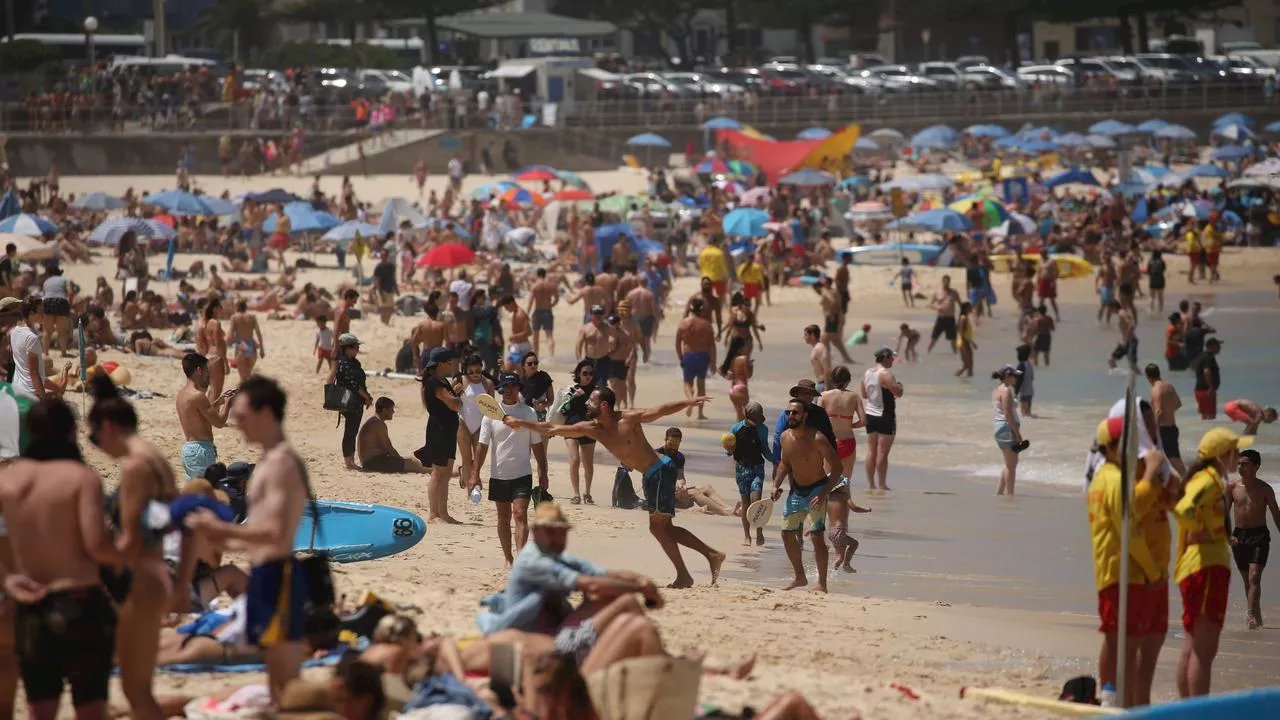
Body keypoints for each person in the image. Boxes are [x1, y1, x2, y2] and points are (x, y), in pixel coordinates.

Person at [508, 389, 724, 589]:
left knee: (660, 527)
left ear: (603, 405)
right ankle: (698, 565)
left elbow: (659, 410)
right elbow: (552, 428)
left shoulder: (627, 419)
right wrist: (521, 423)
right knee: (661, 528)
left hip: (661, 469)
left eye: (590, 400)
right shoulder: (592, 428)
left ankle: (700, 564)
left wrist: (688, 401)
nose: (586, 403)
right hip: (650, 476)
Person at [184, 376, 316, 703]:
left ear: (266, 413)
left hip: (278, 576)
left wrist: (220, 530)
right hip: (265, 574)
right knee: (276, 681)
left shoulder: (282, 464)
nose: (237, 425)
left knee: (285, 682)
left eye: (242, 417)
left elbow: (274, 533)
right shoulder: (270, 462)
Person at [0, 398, 123, 720]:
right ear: (71, 431)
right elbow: (96, 545)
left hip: (30, 605)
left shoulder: (8, 480)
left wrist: (6, 577)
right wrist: (124, 556)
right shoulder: (80, 478)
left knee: (40, 707)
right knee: (90, 708)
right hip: (79, 600)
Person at [88, 374, 178, 720]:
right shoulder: (155, 458)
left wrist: (89, 553)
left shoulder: (134, 466)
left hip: (140, 579)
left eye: (95, 437)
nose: (98, 446)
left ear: (108, 425)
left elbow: (129, 540)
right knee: (140, 688)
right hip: (156, 574)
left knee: (136, 690)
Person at [1089, 416, 1168, 708]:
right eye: (1128, 443)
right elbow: (1130, 530)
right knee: (1124, 644)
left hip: (1113, 570)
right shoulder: (1114, 480)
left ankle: (1113, 698)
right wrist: (1151, 570)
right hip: (1126, 571)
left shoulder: (1103, 477)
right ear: (1111, 447)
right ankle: (1116, 704)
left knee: (1118, 641)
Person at [1172, 428, 1248, 698]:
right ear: (1222, 455)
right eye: (1235, 452)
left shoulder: (1211, 480)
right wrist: (1198, 531)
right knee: (1204, 652)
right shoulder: (1207, 481)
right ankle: (1198, 712)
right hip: (1205, 567)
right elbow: (1182, 509)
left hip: (1198, 568)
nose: (1238, 457)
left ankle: (1187, 710)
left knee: (1193, 647)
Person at [473, 373, 549, 567]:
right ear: (500, 389)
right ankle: (508, 558)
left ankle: (521, 559)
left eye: (513, 386)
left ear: (518, 389)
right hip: (499, 474)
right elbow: (482, 446)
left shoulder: (528, 412)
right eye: (506, 386)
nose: (509, 390)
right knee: (504, 517)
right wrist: (475, 474)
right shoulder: (490, 414)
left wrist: (543, 472)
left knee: (520, 514)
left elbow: (537, 445)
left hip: (523, 473)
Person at [771, 398, 843, 592]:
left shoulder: (817, 438)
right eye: (788, 412)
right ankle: (800, 577)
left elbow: (837, 468)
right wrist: (776, 484)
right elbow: (785, 463)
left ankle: (822, 583)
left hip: (816, 490)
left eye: (795, 412)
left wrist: (824, 492)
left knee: (817, 536)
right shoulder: (785, 437)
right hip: (796, 491)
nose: (790, 416)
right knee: (787, 534)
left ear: (805, 416)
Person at [1227, 450, 1277, 631]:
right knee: (1248, 582)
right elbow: (1224, 514)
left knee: (1254, 577)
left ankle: (1250, 618)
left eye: (1245, 464)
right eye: (1239, 463)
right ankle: (1257, 615)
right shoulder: (1232, 488)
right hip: (1239, 536)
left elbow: (1276, 515)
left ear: (1256, 466)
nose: (1241, 467)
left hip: (1259, 536)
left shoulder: (1265, 489)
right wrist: (1227, 535)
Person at [415, 347, 462, 524]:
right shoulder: (434, 382)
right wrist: (456, 398)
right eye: (449, 362)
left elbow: (450, 401)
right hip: (439, 430)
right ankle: (433, 514)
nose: (451, 364)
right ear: (440, 363)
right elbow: (453, 404)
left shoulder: (442, 380)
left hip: (448, 429)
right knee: (438, 472)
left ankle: (443, 512)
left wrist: (455, 395)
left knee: (447, 472)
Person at [177, 353, 236, 480]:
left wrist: (218, 402)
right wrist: (228, 404)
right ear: (199, 370)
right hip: (201, 450)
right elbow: (219, 422)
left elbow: (199, 414)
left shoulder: (181, 394)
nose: (208, 376)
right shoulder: (198, 395)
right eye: (207, 371)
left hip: (188, 449)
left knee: (193, 491)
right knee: (206, 491)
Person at [727, 402, 770, 546]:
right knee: (745, 503)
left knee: (756, 501)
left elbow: (765, 449)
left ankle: (758, 530)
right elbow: (729, 451)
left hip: (757, 467)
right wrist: (729, 449)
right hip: (741, 469)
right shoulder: (736, 428)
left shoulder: (762, 429)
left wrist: (777, 461)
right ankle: (747, 536)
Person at [329, 333, 373, 471]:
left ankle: (351, 461)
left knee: (353, 430)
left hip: (357, 401)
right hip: (349, 401)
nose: (357, 349)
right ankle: (348, 462)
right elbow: (353, 384)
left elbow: (360, 382)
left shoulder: (354, 362)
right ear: (348, 348)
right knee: (350, 431)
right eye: (356, 347)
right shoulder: (343, 363)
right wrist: (365, 396)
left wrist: (367, 396)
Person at [862, 347, 903, 491]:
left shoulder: (867, 373)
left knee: (871, 450)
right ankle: (881, 484)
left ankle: (870, 484)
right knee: (882, 452)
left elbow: (864, 394)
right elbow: (897, 392)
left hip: (870, 414)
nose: (893, 360)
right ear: (885, 358)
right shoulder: (886, 374)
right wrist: (900, 386)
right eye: (891, 358)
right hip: (885, 415)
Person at [558, 360, 598, 505]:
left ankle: (587, 492)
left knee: (588, 463)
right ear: (578, 375)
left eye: (590, 373)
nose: (588, 376)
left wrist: (586, 399)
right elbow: (562, 409)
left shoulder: (597, 392)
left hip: (589, 428)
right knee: (574, 460)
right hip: (571, 427)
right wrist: (575, 397)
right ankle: (576, 494)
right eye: (585, 373)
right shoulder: (571, 389)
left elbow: (598, 411)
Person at [357, 397, 428, 474]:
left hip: (369, 462)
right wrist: (400, 460)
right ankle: (431, 471)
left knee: (411, 460)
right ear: (384, 410)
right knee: (413, 463)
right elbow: (388, 447)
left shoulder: (373, 420)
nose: (393, 412)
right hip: (374, 463)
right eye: (391, 409)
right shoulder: (379, 424)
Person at [674, 298, 715, 420]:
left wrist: (681, 357)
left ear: (691, 309)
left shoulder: (683, 324)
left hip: (688, 356)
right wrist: (713, 361)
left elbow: (677, 344)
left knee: (687, 383)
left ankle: (690, 399)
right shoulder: (706, 324)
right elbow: (711, 344)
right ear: (701, 310)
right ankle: (700, 414)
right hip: (703, 356)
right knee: (701, 385)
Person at [992, 365, 1027, 496]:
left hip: (1001, 428)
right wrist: (1017, 434)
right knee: (1011, 466)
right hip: (1006, 428)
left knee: (1008, 463)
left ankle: (999, 493)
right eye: (1014, 375)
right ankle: (1010, 495)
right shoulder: (1006, 391)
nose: (1016, 378)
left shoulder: (998, 389)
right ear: (1007, 376)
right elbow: (1008, 414)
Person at [1146, 363, 1186, 478]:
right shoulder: (1169, 386)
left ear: (1148, 377)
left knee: (1175, 462)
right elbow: (1178, 404)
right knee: (1160, 459)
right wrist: (1169, 412)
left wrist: (1153, 430)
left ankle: (1189, 483)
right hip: (1172, 427)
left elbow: (1158, 411)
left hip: (1163, 430)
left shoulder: (1155, 389)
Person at [7, 297, 44, 400]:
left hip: (17, 387)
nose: (43, 315)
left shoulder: (13, 332)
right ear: (31, 314)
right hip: (31, 392)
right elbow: (33, 372)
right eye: (41, 311)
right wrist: (43, 398)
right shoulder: (32, 338)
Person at [197, 297, 229, 403]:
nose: (222, 309)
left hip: (209, 356)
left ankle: (210, 414)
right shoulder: (215, 323)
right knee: (216, 390)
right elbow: (218, 344)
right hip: (216, 356)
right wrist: (225, 362)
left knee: (213, 389)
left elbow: (205, 343)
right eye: (220, 307)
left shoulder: (207, 322)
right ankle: (211, 415)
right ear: (215, 308)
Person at [39, 266, 74, 357]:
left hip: (48, 301)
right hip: (61, 301)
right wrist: (70, 305)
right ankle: (63, 352)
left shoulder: (46, 281)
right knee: (62, 331)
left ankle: (45, 353)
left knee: (47, 330)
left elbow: (45, 294)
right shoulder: (66, 279)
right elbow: (70, 292)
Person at [229, 300, 265, 383]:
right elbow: (258, 334)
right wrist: (262, 349)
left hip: (241, 347)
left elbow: (230, 335)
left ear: (237, 307)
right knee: (248, 375)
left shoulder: (234, 317)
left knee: (243, 378)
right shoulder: (252, 317)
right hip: (251, 346)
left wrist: (227, 343)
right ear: (246, 307)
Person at [527, 268, 560, 357]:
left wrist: (527, 313)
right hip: (547, 311)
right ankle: (551, 356)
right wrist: (551, 305)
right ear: (545, 275)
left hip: (537, 312)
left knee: (535, 336)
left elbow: (530, 302)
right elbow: (557, 299)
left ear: (537, 275)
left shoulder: (534, 286)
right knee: (549, 336)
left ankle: (536, 356)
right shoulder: (551, 286)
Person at [926, 275, 959, 354]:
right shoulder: (937, 292)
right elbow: (929, 304)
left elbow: (961, 305)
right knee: (933, 338)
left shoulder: (954, 293)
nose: (946, 283)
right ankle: (927, 354)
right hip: (940, 319)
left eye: (947, 282)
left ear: (949, 282)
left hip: (951, 319)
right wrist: (937, 308)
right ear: (942, 282)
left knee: (953, 339)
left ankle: (956, 356)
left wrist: (961, 319)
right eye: (944, 282)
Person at [1192, 337, 1223, 420]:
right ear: (1212, 346)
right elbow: (1206, 371)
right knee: (1211, 416)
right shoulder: (1209, 357)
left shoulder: (1201, 356)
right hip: (1206, 391)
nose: (1220, 348)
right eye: (1218, 346)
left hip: (1200, 390)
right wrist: (1211, 387)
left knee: (1205, 417)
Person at [501, 295, 532, 372]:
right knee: (519, 375)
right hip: (518, 346)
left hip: (521, 348)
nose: (506, 309)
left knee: (508, 374)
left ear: (511, 303)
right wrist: (513, 342)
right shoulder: (516, 313)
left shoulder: (521, 314)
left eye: (506, 307)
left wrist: (514, 337)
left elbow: (529, 332)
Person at [1107, 300, 1138, 373]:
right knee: (1111, 359)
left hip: (1131, 341)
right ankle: (1117, 379)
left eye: (1109, 308)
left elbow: (1131, 325)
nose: (1109, 310)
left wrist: (1125, 340)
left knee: (1132, 366)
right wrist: (1122, 340)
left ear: (1114, 307)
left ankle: (1143, 378)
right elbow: (1125, 328)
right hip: (1125, 342)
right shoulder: (1120, 313)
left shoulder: (1122, 313)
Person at [955, 301, 976, 377]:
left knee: (969, 365)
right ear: (966, 309)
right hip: (964, 342)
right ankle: (956, 376)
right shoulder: (963, 318)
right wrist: (972, 342)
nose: (971, 308)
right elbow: (961, 332)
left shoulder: (964, 317)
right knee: (967, 365)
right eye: (970, 307)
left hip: (964, 341)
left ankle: (968, 382)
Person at [1015, 344, 1035, 418]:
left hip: (1024, 392)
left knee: (1024, 414)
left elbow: (1019, 379)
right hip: (1030, 391)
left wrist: (1016, 392)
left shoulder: (1021, 365)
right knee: (1028, 413)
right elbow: (1032, 378)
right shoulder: (1029, 364)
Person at [1148, 249, 1167, 314]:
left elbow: (1148, 271)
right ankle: (1160, 310)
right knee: (1160, 297)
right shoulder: (1162, 261)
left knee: (1151, 296)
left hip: (1152, 279)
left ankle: (1151, 309)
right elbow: (1164, 269)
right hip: (1160, 279)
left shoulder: (1150, 261)